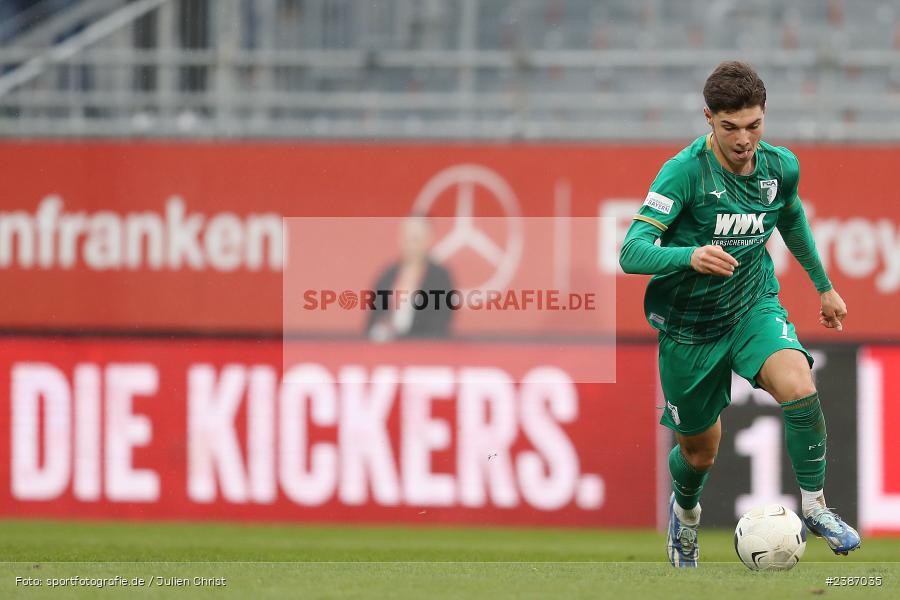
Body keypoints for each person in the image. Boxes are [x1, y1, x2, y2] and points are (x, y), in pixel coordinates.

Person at [619, 61, 861, 568]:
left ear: (764, 116)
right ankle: (685, 515)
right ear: (709, 118)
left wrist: (824, 287)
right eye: (730, 127)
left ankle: (815, 507)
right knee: (699, 453)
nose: (744, 139)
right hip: (689, 330)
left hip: (752, 306)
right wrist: (690, 255)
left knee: (799, 383)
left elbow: (790, 215)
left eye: (753, 125)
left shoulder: (780, 167)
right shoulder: (684, 172)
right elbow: (631, 251)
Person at [367, 214, 454, 341]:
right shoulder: (388, 275)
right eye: (406, 238)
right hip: (386, 349)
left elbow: (440, 323)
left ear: (428, 240)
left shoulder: (439, 278)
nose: (410, 245)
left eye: (415, 239)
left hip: (422, 349)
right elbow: (373, 319)